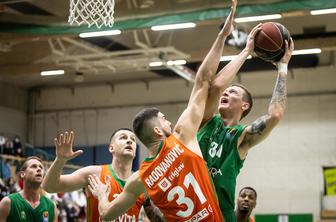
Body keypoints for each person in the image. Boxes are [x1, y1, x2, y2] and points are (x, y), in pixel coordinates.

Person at [86, 1, 240, 221]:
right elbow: (203, 80)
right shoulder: (182, 138)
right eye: (164, 119)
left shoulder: (139, 179)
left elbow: (106, 215)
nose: (168, 122)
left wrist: (102, 195)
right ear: (158, 131)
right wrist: (223, 36)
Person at [197, 18, 294, 222]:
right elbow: (214, 86)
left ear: (244, 106)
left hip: (219, 215)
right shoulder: (205, 120)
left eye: (232, 92)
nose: (226, 91)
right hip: (191, 211)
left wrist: (282, 67)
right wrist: (246, 51)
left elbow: (275, 115)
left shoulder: (242, 137)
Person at [42, 128, 160, 222]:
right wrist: (60, 160)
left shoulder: (140, 181)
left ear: (135, 150)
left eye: (133, 139)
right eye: (123, 138)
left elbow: (155, 217)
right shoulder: (94, 173)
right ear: (111, 148)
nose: (129, 141)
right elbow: (50, 187)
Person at [0, 156, 58, 222]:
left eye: (41, 167)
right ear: (22, 174)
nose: (39, 169)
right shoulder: (8, 202)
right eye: (33, 166)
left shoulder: (52, 206)